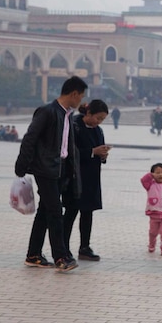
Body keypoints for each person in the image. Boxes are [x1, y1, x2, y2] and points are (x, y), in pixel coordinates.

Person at [14, 75, 87, 272]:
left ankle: (34, 254)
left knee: (46, 212)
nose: (81, 100)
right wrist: (21, 167)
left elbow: (67, 145)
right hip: (45, 169)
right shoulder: (47, 112)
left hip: (59, 169)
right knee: (55, 212)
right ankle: (61, 257)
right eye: (80, 96)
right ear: (73, 94)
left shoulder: (66, 114)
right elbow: (30, 138)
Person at [64, 100, 110, 261]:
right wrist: (92, 151)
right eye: (98, 118)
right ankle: (63, 248)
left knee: (87, 212)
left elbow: (99, 150)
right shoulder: (74, 126)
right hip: (75, 177)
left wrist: (103, 154)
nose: (99, 122)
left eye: (102, 119)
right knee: (71, 212)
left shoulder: (98, 131)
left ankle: (84, 247)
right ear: (88, 113)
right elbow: (70, 151)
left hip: (91, 177)